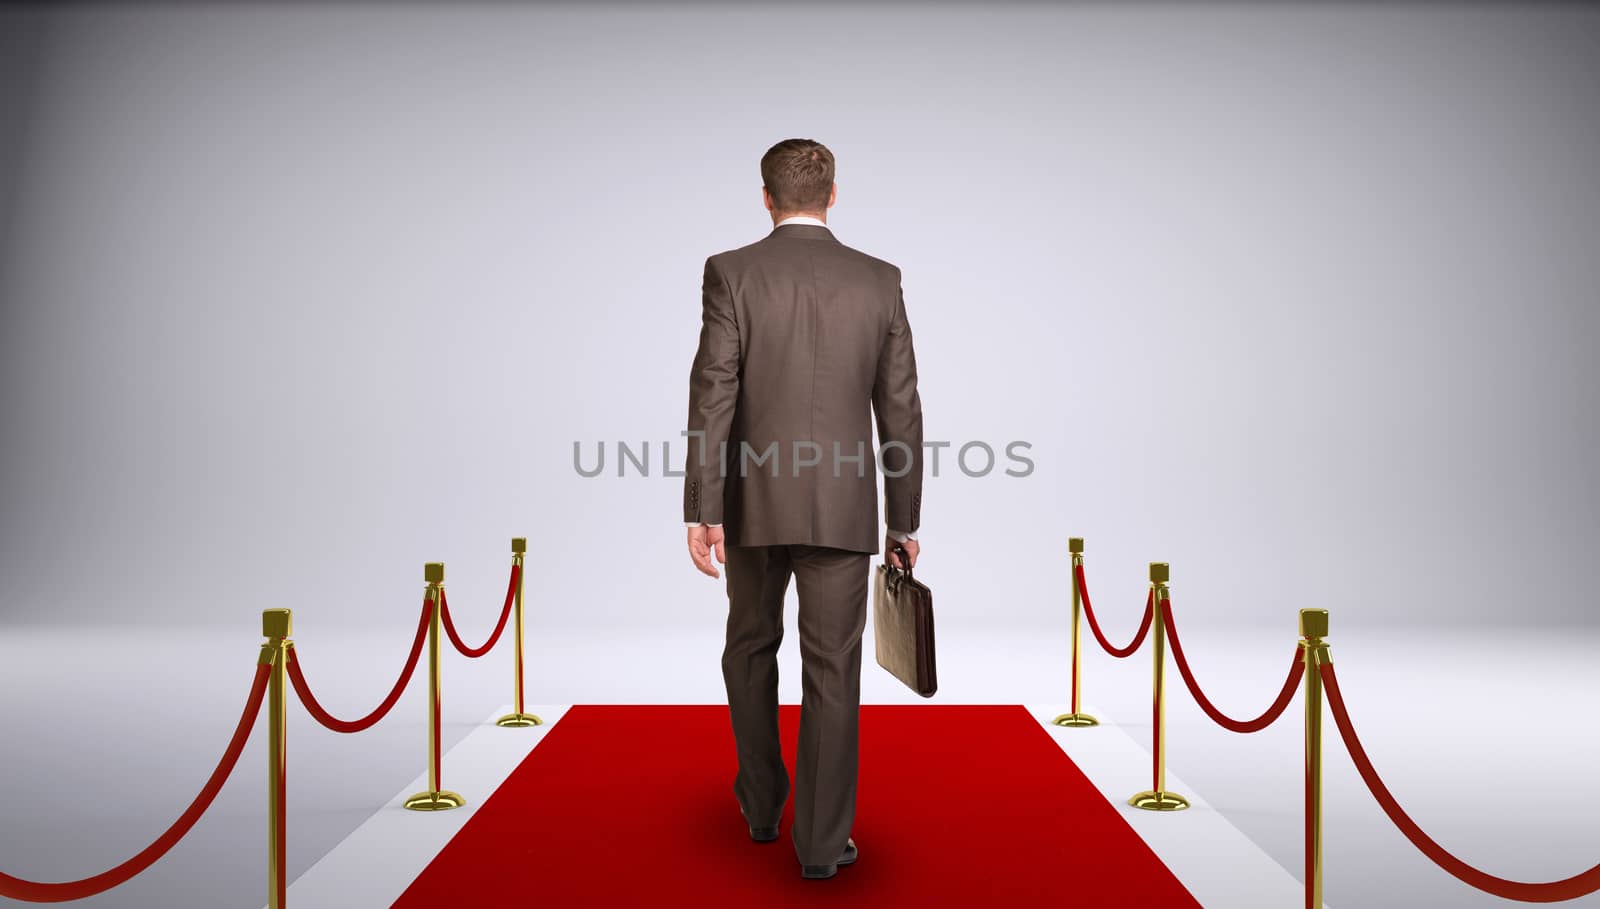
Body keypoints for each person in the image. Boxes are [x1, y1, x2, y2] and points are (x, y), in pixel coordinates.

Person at [681, 137, 925, 880]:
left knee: (749, 648)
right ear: (833, 194)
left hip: (753, 501)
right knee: (832, 670)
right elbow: (902, 407)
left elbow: (712, 390)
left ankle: (761, 806)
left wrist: (702, 505)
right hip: (845, 507)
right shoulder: (880, 280)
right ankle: (821, 846)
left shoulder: (732, 272)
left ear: (766, 196)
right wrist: (903, 519)